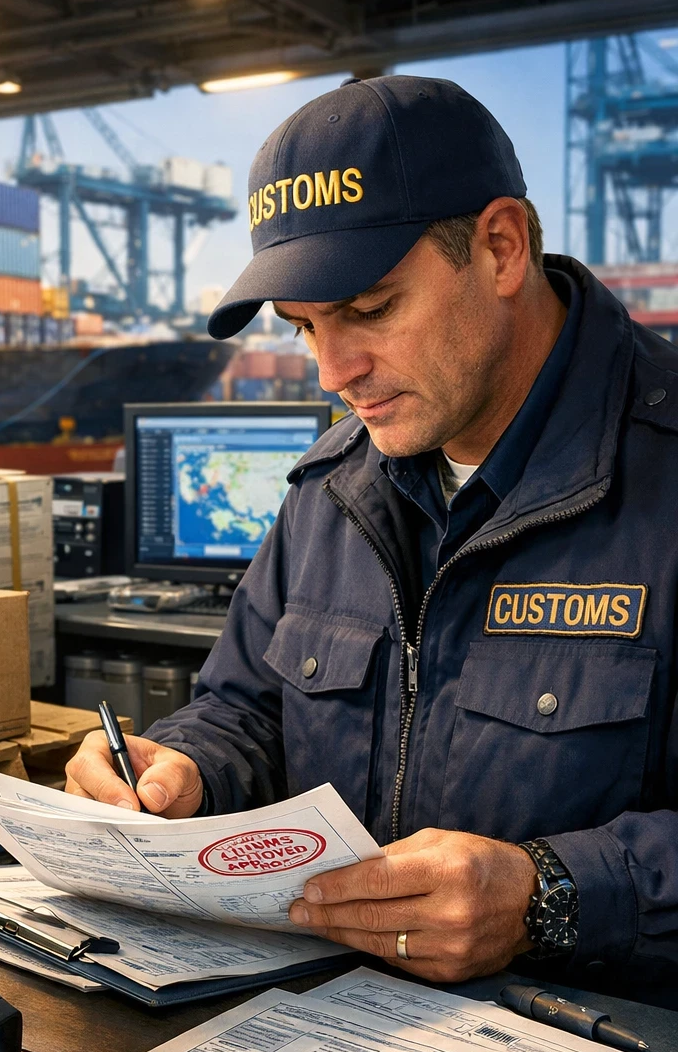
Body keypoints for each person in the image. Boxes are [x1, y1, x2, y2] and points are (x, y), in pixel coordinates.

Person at [66, 74, 678, 992]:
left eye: (370, 309)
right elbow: (249, 709)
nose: (334, 371)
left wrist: (553, 896)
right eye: (305, 327)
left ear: (500, 248)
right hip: (334, 1032)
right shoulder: (331, 487)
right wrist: (189, 767)